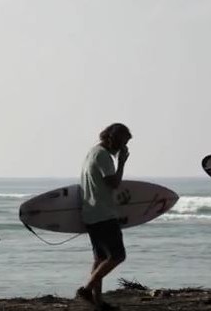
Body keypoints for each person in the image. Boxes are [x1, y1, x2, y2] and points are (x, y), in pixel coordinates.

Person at [76, 123, 132, 311]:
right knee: (118, 255)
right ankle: (86, 290)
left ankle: (98, 303)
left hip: (92, 213)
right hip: (103, 214)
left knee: (100, 259)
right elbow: (114, 183)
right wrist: (122, 162)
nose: (124, 147)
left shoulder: (93, 152)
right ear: (114, 139)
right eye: (124, 142)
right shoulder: (103, 156)